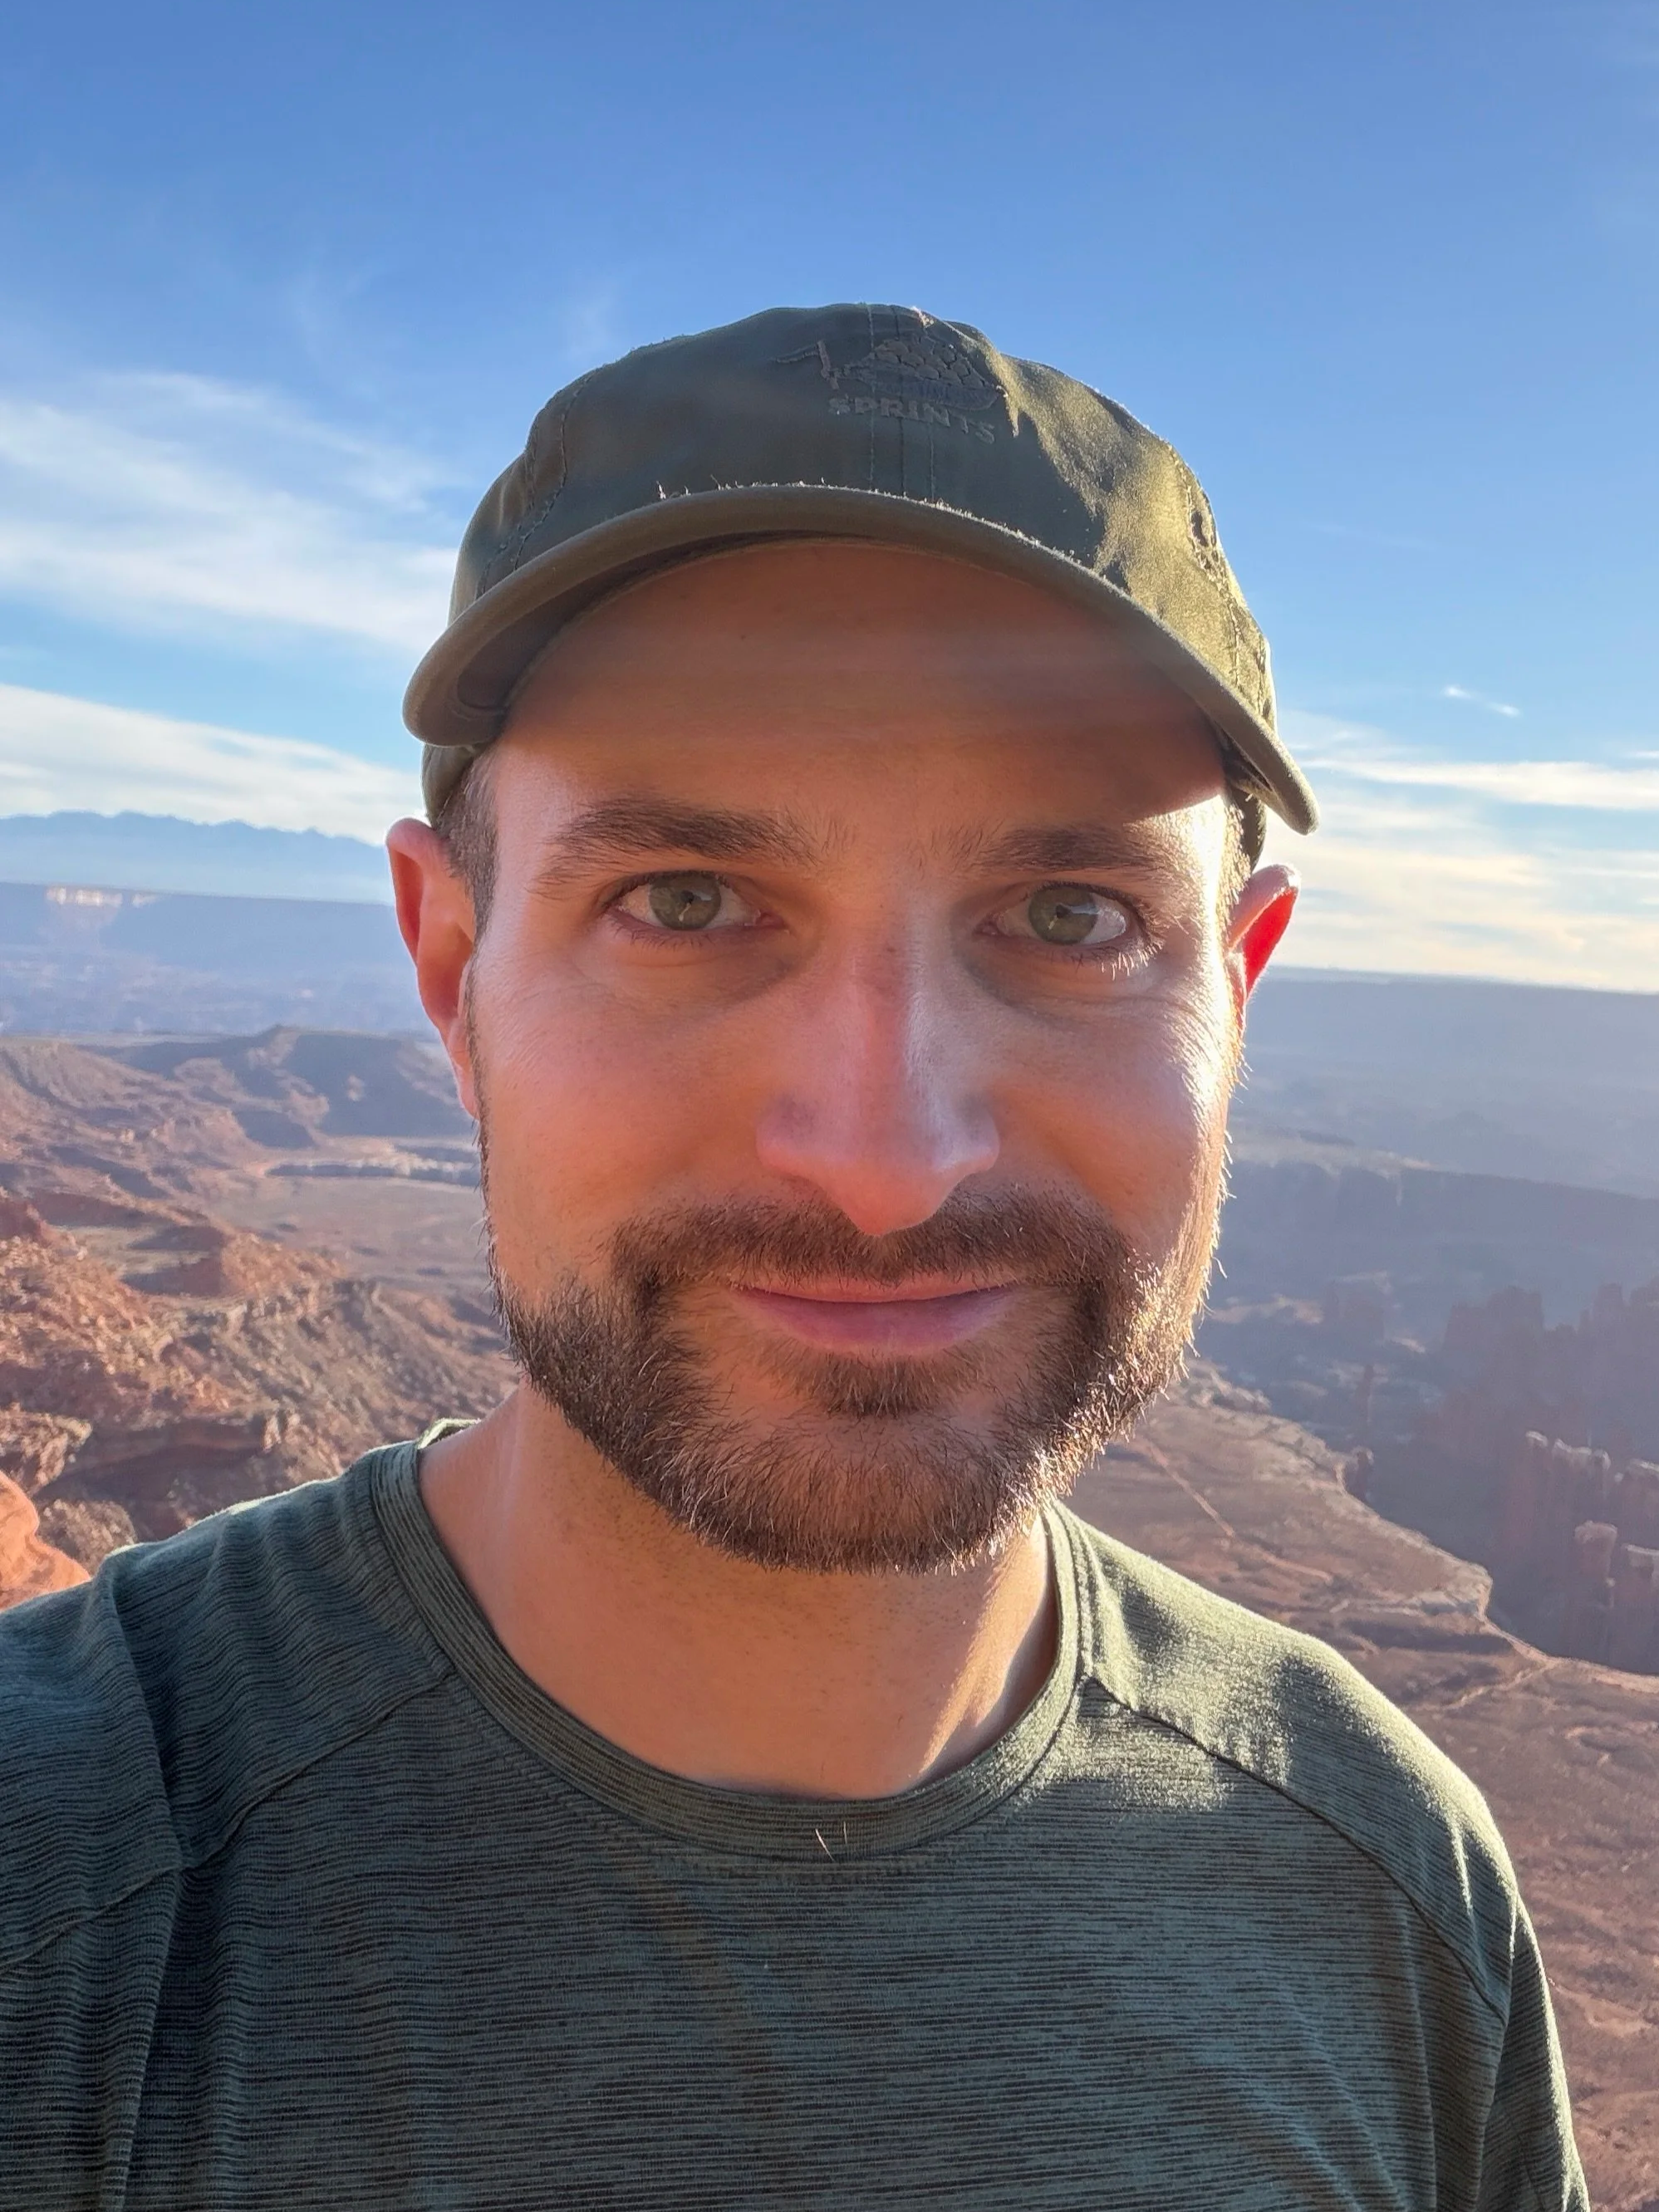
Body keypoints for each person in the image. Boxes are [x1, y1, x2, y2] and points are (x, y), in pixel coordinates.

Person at [1, 305, 1584, 2209]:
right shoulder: (58, 1882)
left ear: (1233, 995)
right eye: (685, 901)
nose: (885, 1159)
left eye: (1069, 914)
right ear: (451, 971)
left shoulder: (1390, 1886)